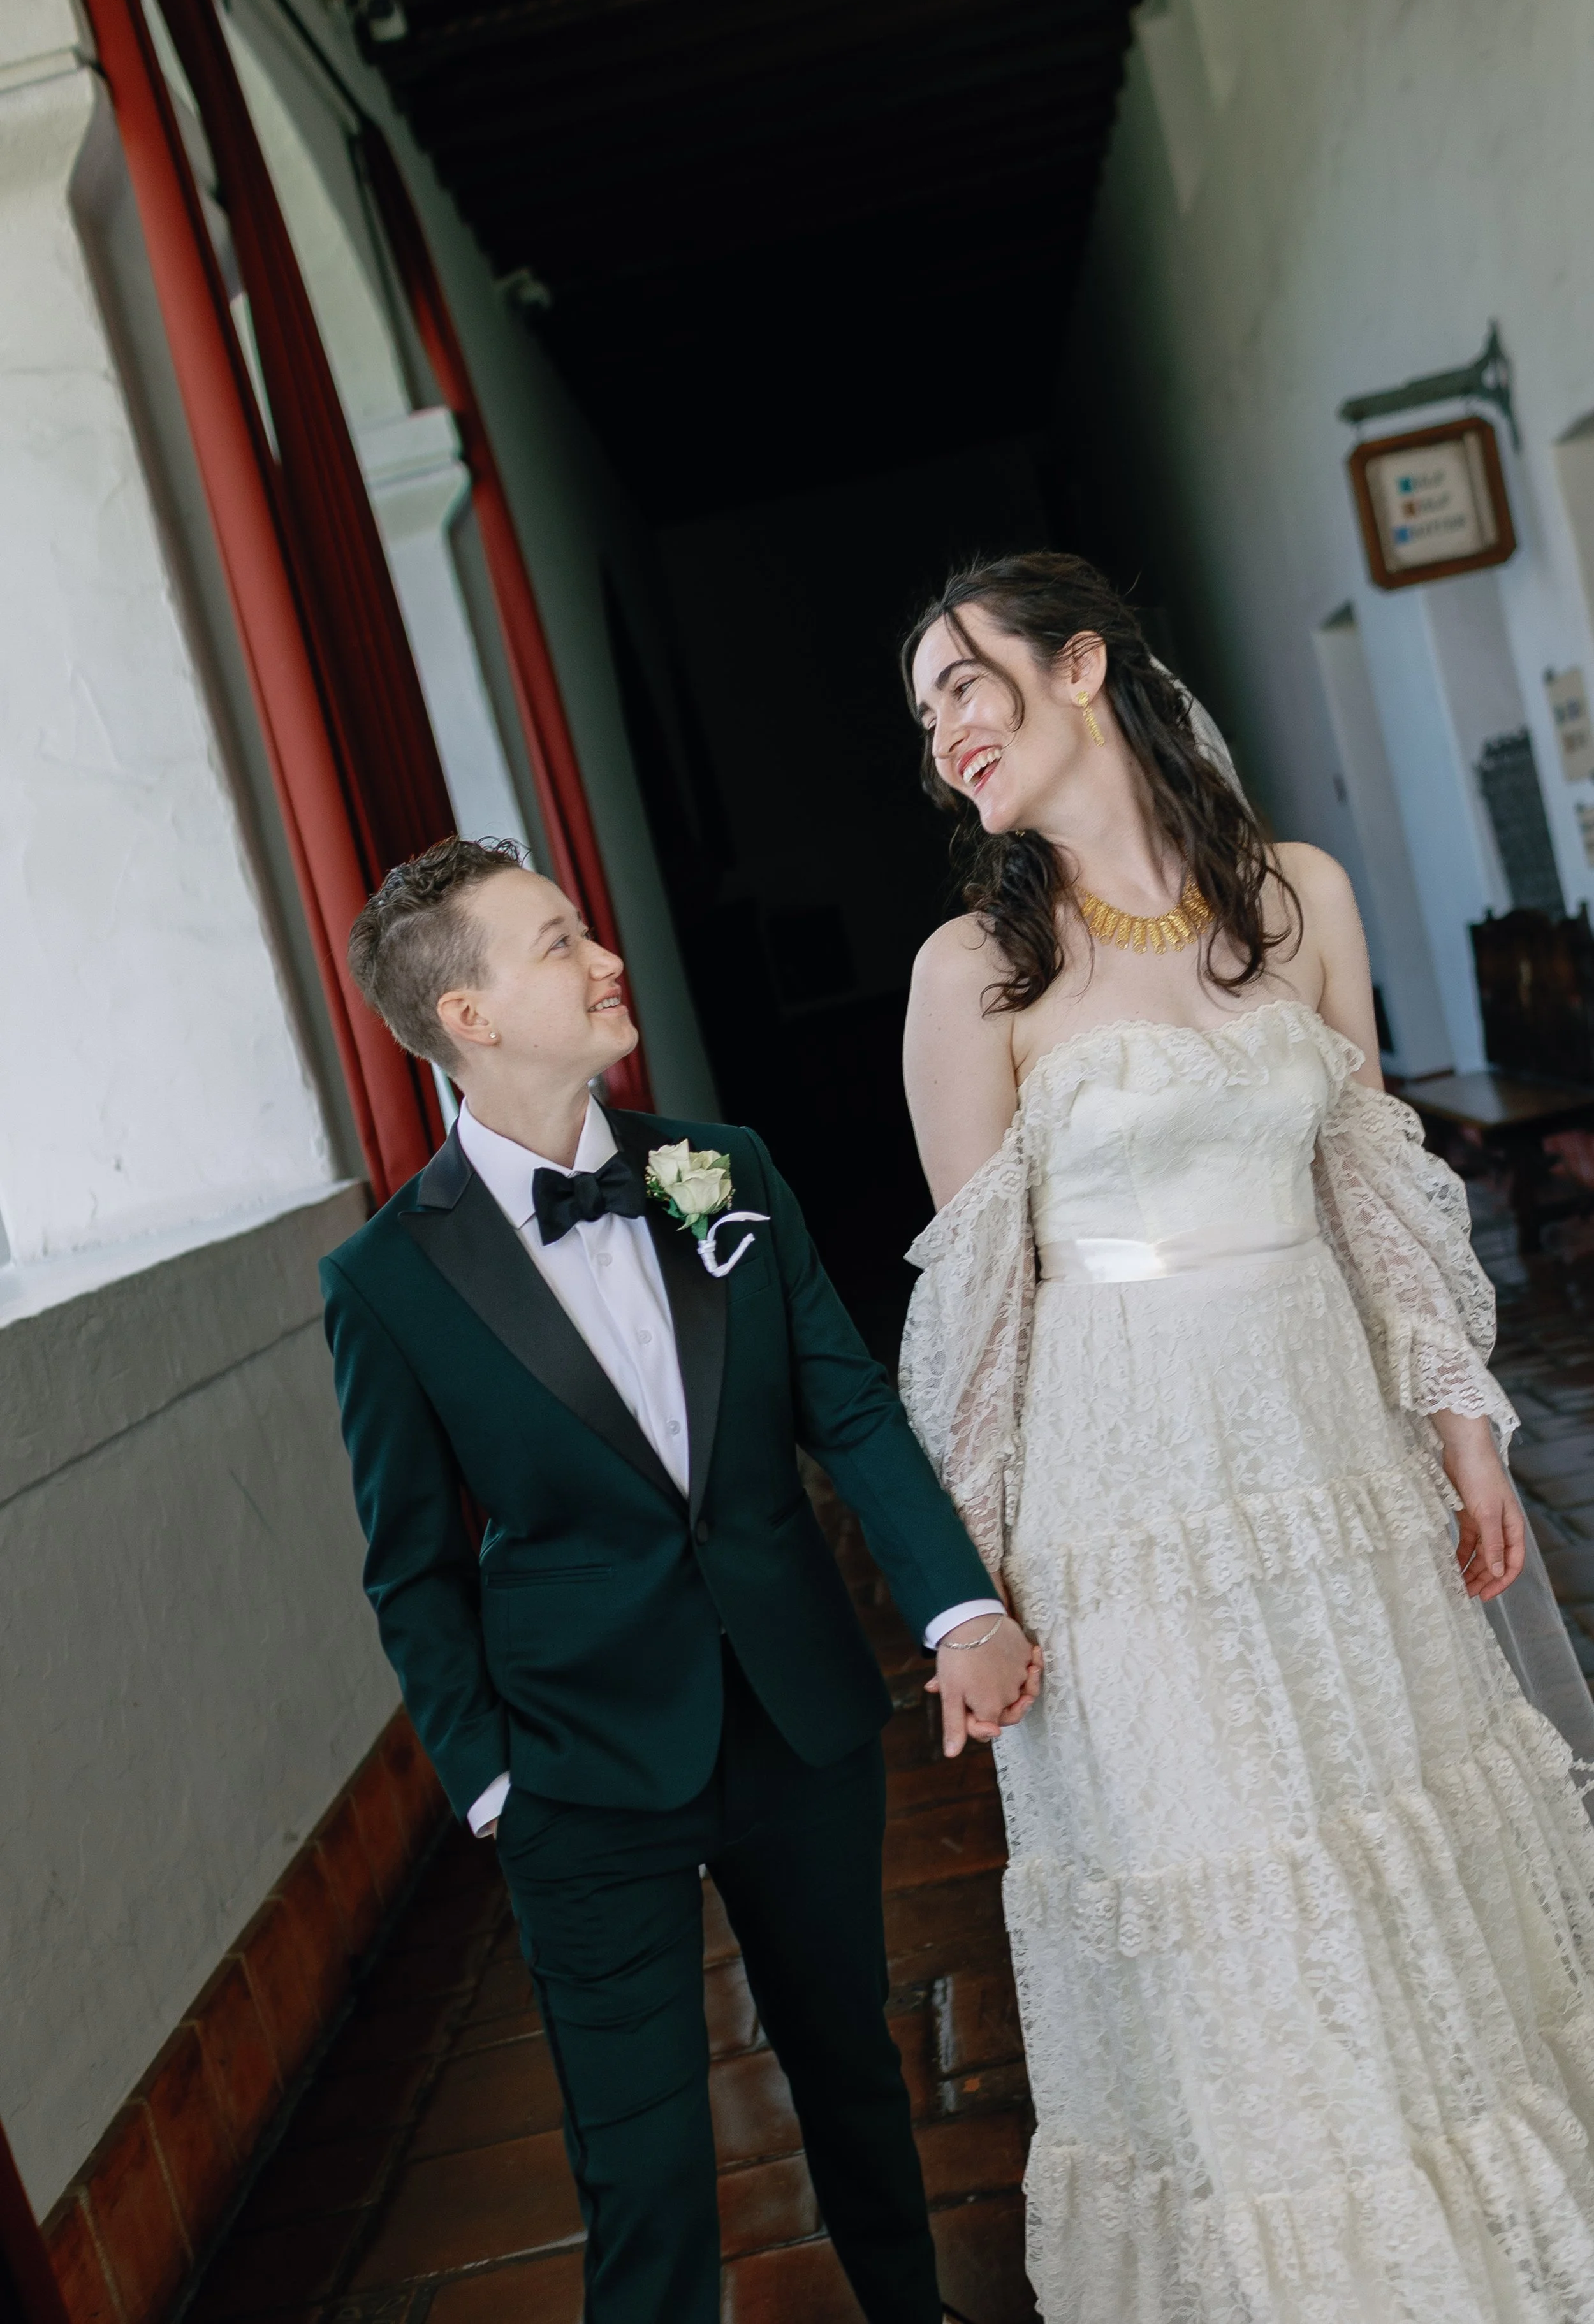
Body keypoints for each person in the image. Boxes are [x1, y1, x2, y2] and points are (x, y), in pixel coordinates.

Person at [898, 552, 1594, 2323]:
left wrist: (1459, 1428)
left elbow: (1369, 1183)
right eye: (924, 715)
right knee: (1229, 1860)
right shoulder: (971, 971)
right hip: (1127, 1491)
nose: (946, 731)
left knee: (1388, 1816)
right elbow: (976, 1314)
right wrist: (965, 1590)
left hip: (1329, 1449)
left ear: (1079, 667)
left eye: (965, 683)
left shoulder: (1296, 898)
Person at [319, 835, 1040, 2324]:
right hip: (577, 1766)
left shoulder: (719, 1168)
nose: (604, 960)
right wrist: (493, 1786)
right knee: (640, 2167)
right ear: (466, 1017)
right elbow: (413, 1566)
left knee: (853, 2072)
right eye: (557, 943)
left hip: (792, 1713)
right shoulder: (385, 1279)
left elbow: (844, 1406)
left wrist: (959, 1607)